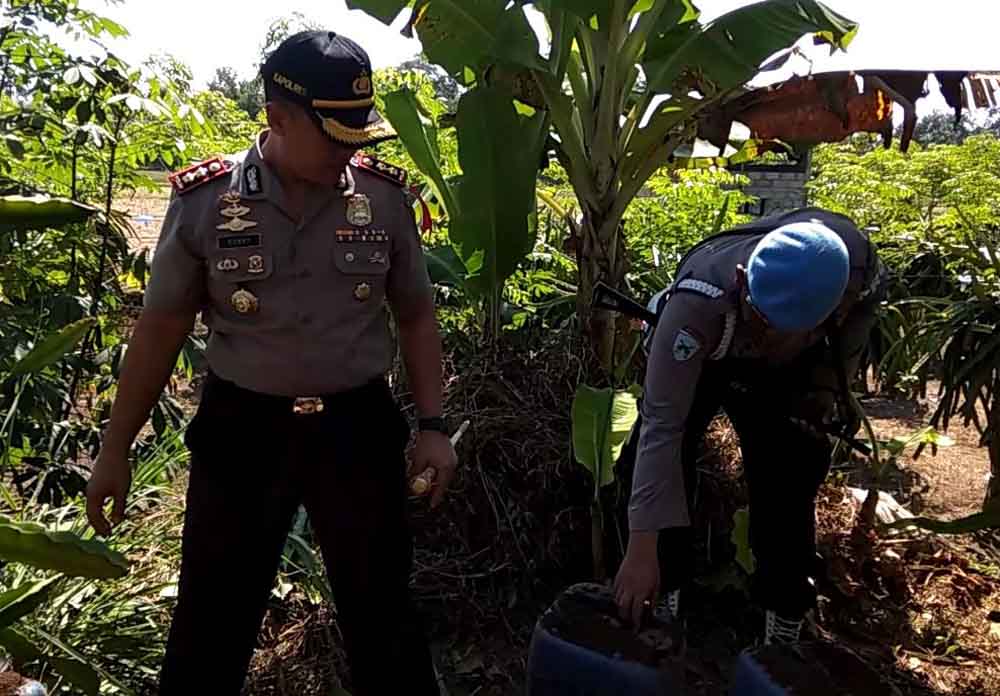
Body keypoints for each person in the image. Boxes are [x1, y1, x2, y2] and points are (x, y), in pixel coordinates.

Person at [84, 30, 454, 696]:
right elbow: (161, 326)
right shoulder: (206, 202)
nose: (350, 150)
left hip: (356, 429)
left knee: (384, 618)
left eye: (358, 134)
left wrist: (433, 424)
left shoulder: (386, 200)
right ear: (277, 117)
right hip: (243, 430)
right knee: (210, 622)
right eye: (334, 134)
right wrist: (116, 449)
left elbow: (417, 315)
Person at [612, 207, 886, 645]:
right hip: (713, 343)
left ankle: (783, 612)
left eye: (781, 332)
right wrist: (642, 550)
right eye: (762, 323)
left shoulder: (858, 275)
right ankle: (664, 589)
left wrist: (826, 392)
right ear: (743, 279)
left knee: (790, 472)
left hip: (793, 372)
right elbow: (663, 427)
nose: (767, 339)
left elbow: (849, 343)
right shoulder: (695, 304)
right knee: (656, 452)